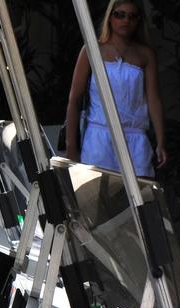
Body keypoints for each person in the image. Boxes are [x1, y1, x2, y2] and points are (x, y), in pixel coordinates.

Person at [64, 0, 168, 178]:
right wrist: (71, 146)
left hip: (135, 138)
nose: (125, 20)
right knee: (98, 199)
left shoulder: (145, 54)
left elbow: (153, 100)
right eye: (119, 14)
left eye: (132, 16)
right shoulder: (92, 50)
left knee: (140, 199)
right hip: (99, 137)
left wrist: (161, 141)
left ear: (138, 21)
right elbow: (74, 99)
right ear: (110, 17)